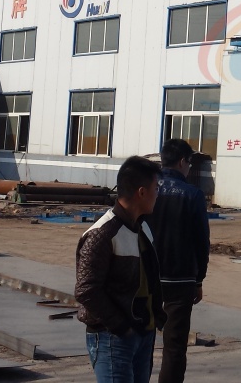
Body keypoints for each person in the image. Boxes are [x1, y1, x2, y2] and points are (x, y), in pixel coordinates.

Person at [75, 156, 166, 383]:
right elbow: (86, 290)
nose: (158, 194)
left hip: (142, 333)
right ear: (141, 192)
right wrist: (121, 326)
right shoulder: (102, 234)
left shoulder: (143, 229)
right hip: (112, 337)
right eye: (156, 188)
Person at [146, 139, 211, 383]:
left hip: (145, 277)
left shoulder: (146, 189)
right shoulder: (192, 194)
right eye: (189, 162)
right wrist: (199, 279)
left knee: (142, 340)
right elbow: (201, 241)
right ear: (183, 161)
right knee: (174, 346)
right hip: (180, 279)